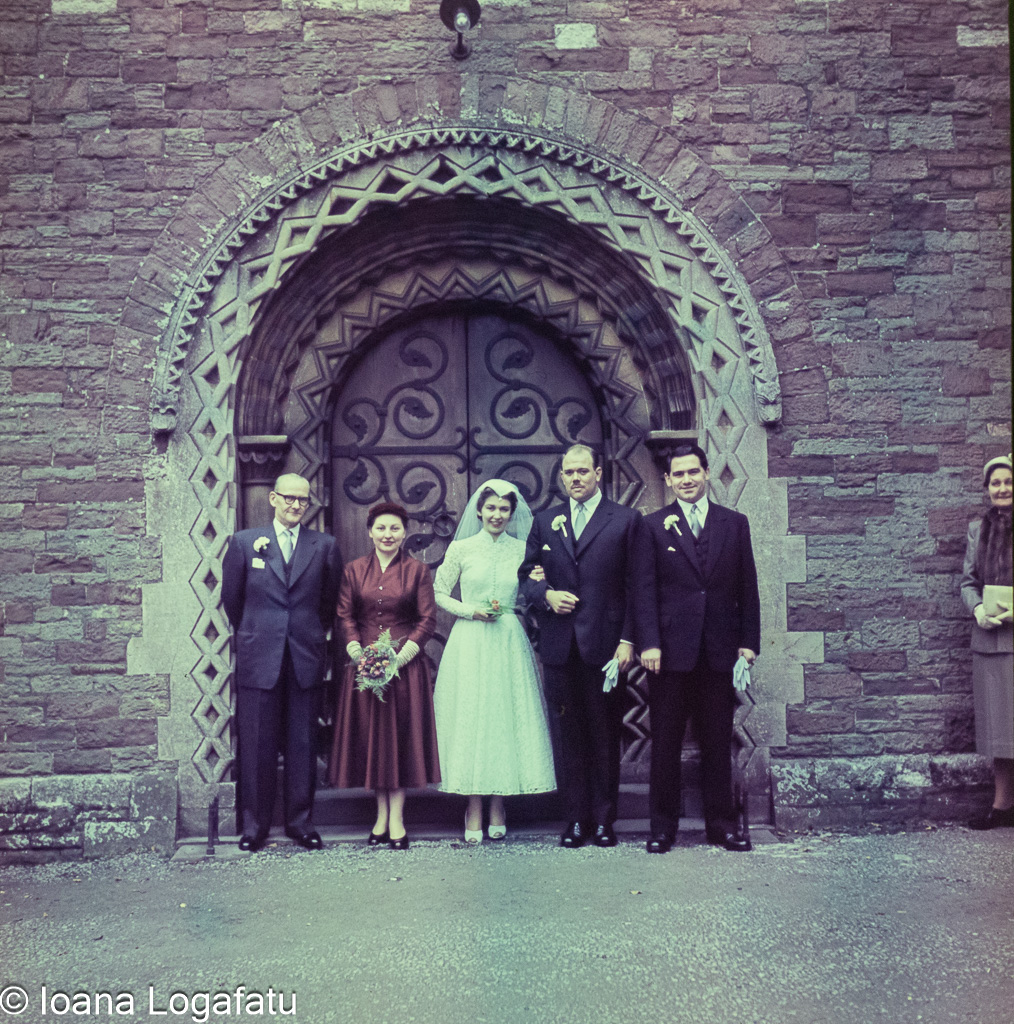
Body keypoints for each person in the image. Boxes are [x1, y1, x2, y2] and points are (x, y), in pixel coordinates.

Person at [519, 444, 654, 848]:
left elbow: (638, 586)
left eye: (582, 471)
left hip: (607, 648)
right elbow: (525, 575)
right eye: (568, 473)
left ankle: (603, 820)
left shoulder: (626, 520)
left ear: (598, 472)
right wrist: (546, 595)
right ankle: (575, 820)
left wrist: (629, 640)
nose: (575, 478)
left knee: (603, 734)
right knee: (569, 735)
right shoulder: (546, 522)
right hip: (560, 648)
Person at [638, 442, 760, 853]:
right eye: (679, 474)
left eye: (694, 472)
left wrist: (748, 643)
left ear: (706, 473)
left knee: (716, 740)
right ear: (668, 480)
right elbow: (644, 590)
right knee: (666, 744)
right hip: (669, 654)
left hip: (720, 650)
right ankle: (662, 827)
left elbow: (748, 588)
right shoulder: (653, 526)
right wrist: (649, 643)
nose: (687, 480)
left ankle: (722, 826)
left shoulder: (734, 523)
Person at [221, 473, 343, 852]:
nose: (295, 505)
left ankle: (300, 823)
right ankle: (254, 826)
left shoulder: (324, 546)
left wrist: (306, 634)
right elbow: (233, 601)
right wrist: (260, 633)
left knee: (302, 742)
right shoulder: (244, 543)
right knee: (257, 743)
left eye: (302, 500)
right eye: (288, 498)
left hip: (304, 655)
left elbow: (328, 603)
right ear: (273, 498)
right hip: (260, 656)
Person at [433, 480, 556, 843]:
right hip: (470, 640)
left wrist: (533, 591)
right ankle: (472, 803)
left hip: (507, 638)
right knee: (472, 716)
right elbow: (439, 592)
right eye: (491, 508)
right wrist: (470, 610)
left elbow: (533, 592)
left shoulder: (522, 549)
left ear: (512, 513)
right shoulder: (461, 548)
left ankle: (499, 802)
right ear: (479, 511)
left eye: (504, 509)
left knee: (503, 716)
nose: (497, 515)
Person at [328, 502, 440, 849]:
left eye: (394, 529)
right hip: (364, 669)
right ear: (370, 532)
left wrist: (400, 655)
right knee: (373, 742)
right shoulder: (353, 570)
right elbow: (345, 615)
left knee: (399, 741)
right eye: (381, 528)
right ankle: (380, 816)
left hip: (405, 672)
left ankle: (398, 819)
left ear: (404, 532)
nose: (388, 535)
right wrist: (358, 652)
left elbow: (427, 619)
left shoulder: (417, 571)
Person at [960, 453, 1013, 830]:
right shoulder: (978, 530)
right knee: (1000, 731)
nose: (1002, 488)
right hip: (989, 642)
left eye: (1008, 482)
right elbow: (968, 582)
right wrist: (978, 610)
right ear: (987, 488)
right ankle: (1002, 805)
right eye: (995, 483)